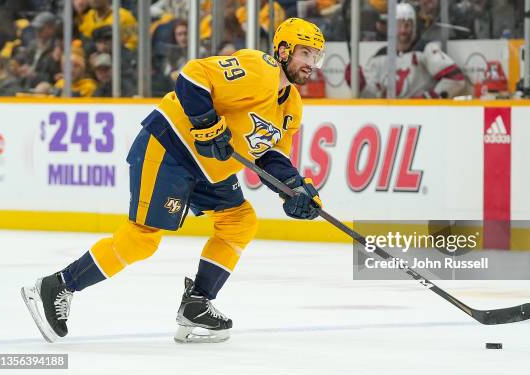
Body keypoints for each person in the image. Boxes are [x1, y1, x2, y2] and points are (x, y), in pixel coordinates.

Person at [21, 17, 325, 344]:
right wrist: (207, 122)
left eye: (315, 57)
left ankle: (196, 303)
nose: (310, 64)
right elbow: (193, 77)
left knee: (239, 220)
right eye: (304, 53)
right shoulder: (259, 69)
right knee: (143, 238)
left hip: (209, 168)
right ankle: (57, 285)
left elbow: (269, 156)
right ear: (282, 50)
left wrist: (294, 189)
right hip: (171, 147)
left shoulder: (292, 105)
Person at [347, 3, 466, 99]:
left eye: (407, 25)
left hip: (423, 118)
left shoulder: (425, 50)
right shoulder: (379, 58)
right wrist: (360, 86)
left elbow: (456, 79)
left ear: (414, 27)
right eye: (399, 25)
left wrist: (428, 99)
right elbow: (373, 97)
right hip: (390, 119)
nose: (403, 30)